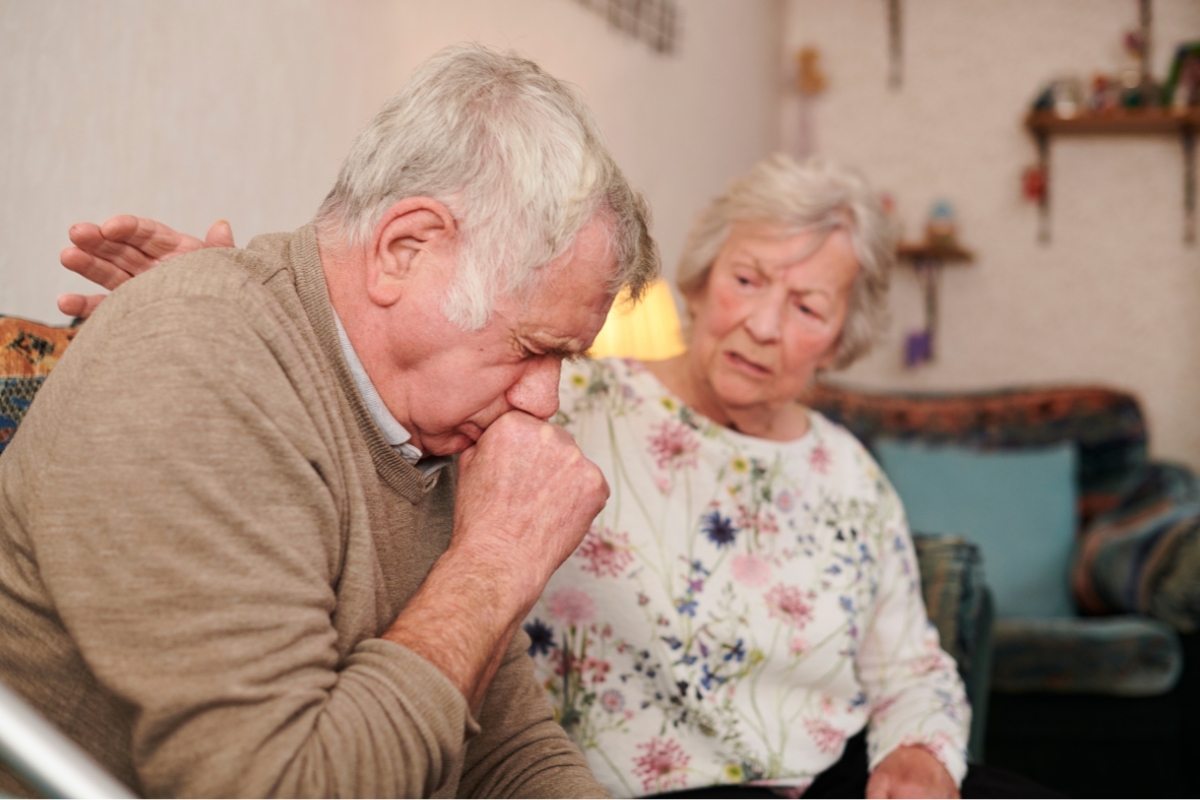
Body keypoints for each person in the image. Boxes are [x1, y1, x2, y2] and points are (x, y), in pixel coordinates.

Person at [57, 159, 1050, 799]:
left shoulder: (847, 470)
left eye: (806, 304)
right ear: (703, 278)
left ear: (845, 331)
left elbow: (913, 662)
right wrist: (233, 306)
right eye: (747, 280)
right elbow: (391, 379)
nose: (761, 323)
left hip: (838, 771)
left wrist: (918, 757)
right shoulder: (561, 399)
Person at [1, 44, 657, 798]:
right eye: (534, 348)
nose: (546, 401)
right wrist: (493, 564)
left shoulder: (423, 428)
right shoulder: (196, 354)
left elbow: (507, 752)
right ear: (404, 250)